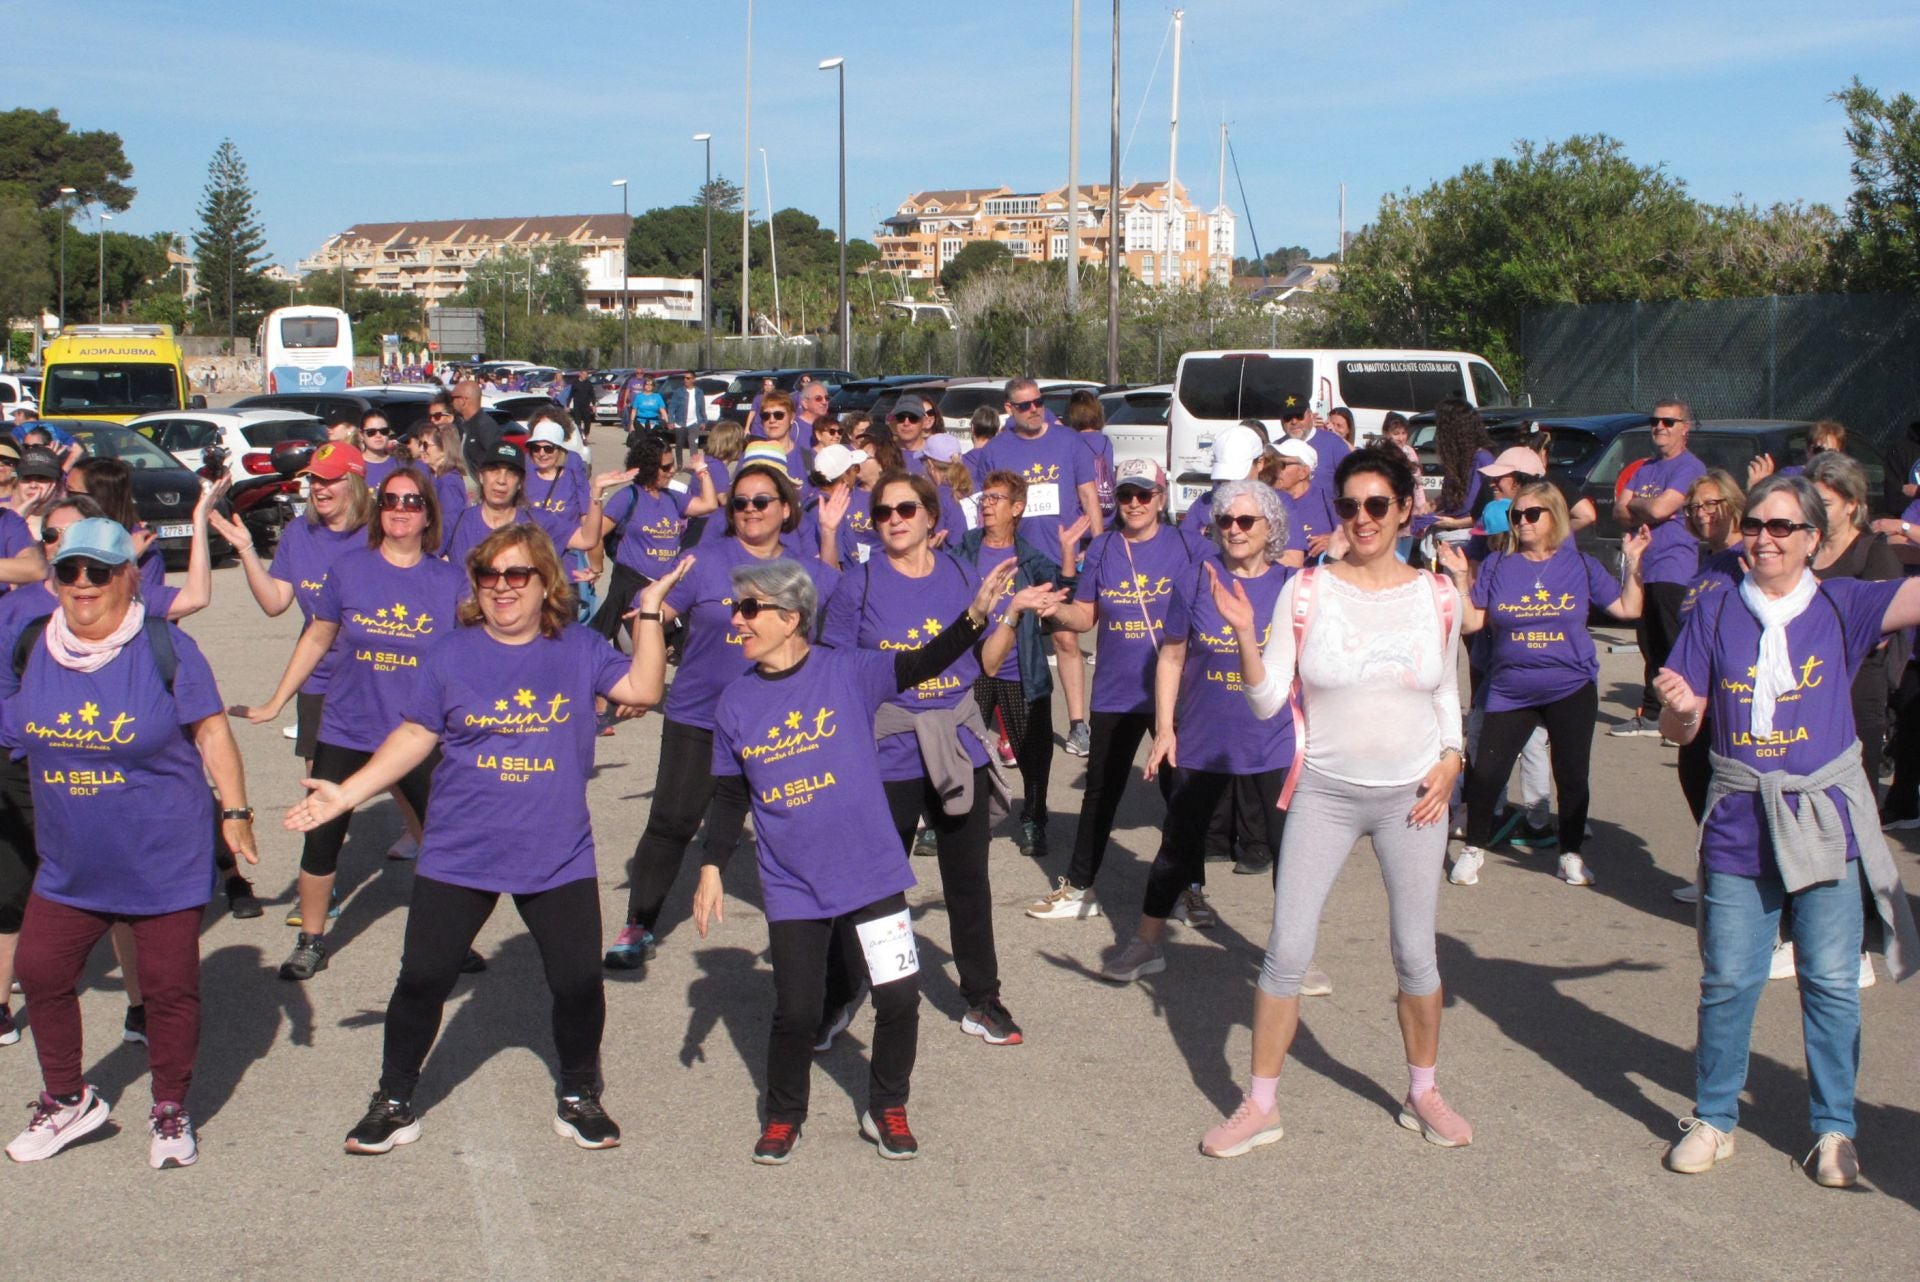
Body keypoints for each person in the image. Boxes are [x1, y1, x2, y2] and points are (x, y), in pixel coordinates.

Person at [287, 527, 683, 1155]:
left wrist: (653, 614)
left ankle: (579, 1093)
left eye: (516, 574)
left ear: (545, 581)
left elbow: (644, 690)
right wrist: (347, 792)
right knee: (421, 979)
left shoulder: (578, 648)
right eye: (490, 576)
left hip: (555, 851)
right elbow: (416, 735)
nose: (502, 587)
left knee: (578, 982)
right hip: (460, 848)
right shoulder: (449, 653)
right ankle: (393, 1099)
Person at [693, 553, 1031, 1162]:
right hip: (792, 880)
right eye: (735, 609)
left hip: (871, 870)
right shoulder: (736, 702)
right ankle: (784, 1113)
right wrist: (713, 864)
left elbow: (921, 661)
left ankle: (887, 1106)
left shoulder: (848, 671)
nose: (736, 623)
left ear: (791, 617)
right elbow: (728, 792)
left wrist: (976, 615)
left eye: (748, 610)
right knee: (796, 1010)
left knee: (898, 996)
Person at [1197, 446, 1471, 1159]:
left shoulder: (1438, 595)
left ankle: (1424, 1091)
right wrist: (1241, 636)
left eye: (1378, 505)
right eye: (1349, 506)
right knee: (1286, 950)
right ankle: (1260, 1106)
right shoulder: (1308, 591)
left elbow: (1445, 692)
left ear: (1406, 509)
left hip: (1414, 795)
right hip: (1324, 789)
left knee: (1415, 953)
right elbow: (1264, 704)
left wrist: (1453, 758)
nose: (1362, 519)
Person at [1652, 473, 1920, 1189]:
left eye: (1781, 528)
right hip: (1741, 819)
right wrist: (1677, 707)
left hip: (1823, 818)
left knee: (1830, 981)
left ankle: (1835, 1132)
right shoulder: (1714, 608)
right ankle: (1713, 1119)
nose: (1764, 540)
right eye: (1755, 527)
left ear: (1812, 539)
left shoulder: (1843, 603)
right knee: (1729, 979)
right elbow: (1682, 728)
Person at [0, 519, 257, 1169]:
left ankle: (170, 1106)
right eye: (70, 571)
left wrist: (236, 811)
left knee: (169, 989)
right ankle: (67, 1099)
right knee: (41, 970)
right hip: (71, 860)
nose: (82, 584)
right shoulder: (34, 644)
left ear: (128, 575)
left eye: (99, 571)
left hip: (161, 857)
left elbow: (212, 734)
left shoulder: (165, 647)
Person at [822, 471, 1055, 1046]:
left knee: (968, 879)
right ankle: (843, 992)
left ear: (931, 517)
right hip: (888, 748)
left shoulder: (957, 572)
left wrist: (1013, 612)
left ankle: (983, 998)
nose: (894, 520)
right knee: (873, 883)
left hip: (954, 744)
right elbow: (835, 674)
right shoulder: (860, 585)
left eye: (906, 510)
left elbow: (986, 664)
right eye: (883, 512)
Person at [604, 456, 841, 969]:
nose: (750, 511)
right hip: (699, 715)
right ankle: (638, 923)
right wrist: (637, 669)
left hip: (776, 724)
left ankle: (818, 926)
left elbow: (841, 616)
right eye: (740, 503)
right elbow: (658, 614)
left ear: (785, 509)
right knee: (672, 820)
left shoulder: (802, 571)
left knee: (797, 824)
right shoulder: (705, 560)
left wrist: (829, 535)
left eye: (761, 502)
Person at [235, 468, 468, 982]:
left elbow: (472, 655)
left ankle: (447, 937)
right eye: (390, 500)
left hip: (418, 733)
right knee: (321, 837)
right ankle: (311, 939)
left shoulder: (450, 580)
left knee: (444, 840)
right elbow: (318, 637)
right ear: (379, 508)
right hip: (347, 725)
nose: (401, 509)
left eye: (412, 501)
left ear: (428, 513)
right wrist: (277, 701)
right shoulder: (351, 569)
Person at [1100, 480, 1297, 979]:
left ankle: (1292, 958)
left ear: (1270, 528)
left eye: (1245, 521)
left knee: (1292, 857)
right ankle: (1148, 943)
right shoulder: (1195, 578)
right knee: (1177, 846)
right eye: (1225, 521)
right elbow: (1170, 656)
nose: (1233, 530)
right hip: (1204, 740)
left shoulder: (1291, 586)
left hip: (1273, 742)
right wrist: (1165, 728)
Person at [1438, 484, 1647, 887]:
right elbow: (1472, 622)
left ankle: (1570, 854)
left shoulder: (1580, 565)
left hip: (1570, 685)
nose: (1522, 522)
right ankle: (1473, 850)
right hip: (1511, 688)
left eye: (1532, 514)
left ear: (1555, 517)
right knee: (1486, 773)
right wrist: (1461, 578)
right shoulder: (1500, 565)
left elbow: (1628, 608)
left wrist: (1634, 566)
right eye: (1517, 515)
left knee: (1571, 776)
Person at [1030, 460, 1212, 920]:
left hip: (1173, 693)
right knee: (1100, 790)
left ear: (1161, 498)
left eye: (1144, 495)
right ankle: (1080, 887)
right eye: (1127, 495)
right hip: (1116, 690)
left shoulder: (1191, 546)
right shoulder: (1107, 546)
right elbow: (1086, 615)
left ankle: (1189, 888)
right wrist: (1054, 611)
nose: (1134, 504)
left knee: (1182, 793)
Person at [968, 378, 1102, 757]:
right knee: (1009, 641)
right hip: (1016, 559)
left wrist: (1097, 545)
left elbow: (1088, 495)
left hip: (1062, 558)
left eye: (1038, 402)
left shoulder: (1069, 441)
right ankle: (1010, 727)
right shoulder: (996, 450)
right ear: (1009, 409)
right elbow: (986, 504)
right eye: (1024, 405)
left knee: (1065, 638)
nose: (1034, 410)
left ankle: (1078, 725)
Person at [952, 471, 1060, 858]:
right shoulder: (962, 550)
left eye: (996, 498)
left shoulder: (1030, 560)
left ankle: (1033, 818)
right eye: (984, 498)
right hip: (970, 669)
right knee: (960, 749)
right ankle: (950, 820)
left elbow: (1066, 592)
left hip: (1020, 671)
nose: (986, 504)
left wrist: (1057, 596)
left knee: (1032, 751)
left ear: (1017, 509)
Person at [1612, 398, 1708, 737]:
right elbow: (1618, 512)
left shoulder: (1689, 468)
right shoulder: (1645, 468)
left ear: (1685, 428)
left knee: (1673, 644)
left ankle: (1686, 715)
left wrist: (1639, 505)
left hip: (1673, 568)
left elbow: (1660, 508)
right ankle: (1651, 715)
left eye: (1668, 422)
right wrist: (1644, 506)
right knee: (1649, 644)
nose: (1659, 427)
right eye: (1655, 421)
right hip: (1643, 567)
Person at [589, 431, 717, 642]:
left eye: (673, 464)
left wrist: (702, 470)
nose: (672, 471)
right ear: (649, 468)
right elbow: (594, 534)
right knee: (632, 658)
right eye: (666, 467)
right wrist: (597, 567)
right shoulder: (628, 497)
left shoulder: (672, 498)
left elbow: (709, 504)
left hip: (665, 593)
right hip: (631, 593)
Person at [1428, 397, 1496, 533]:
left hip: (1468, 535)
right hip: (1446, 531)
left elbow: (1489, 510)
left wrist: (1456, 523)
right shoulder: (1456, 460)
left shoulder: (1484, 460)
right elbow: (1454, 498)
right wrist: (1432, 505)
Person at [452, 381, 505, 476]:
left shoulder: (485, 426)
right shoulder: (462, 425)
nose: (451, 402)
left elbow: (497, 463)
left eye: (453, 398)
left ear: (463, 401)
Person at [666, 372, 707, 459]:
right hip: (680, 422)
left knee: (693, 445)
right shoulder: (678, 392)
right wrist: (670, 421)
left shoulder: (699, 392)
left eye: (688, 378)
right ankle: (680, 466)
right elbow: (672, 407)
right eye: (684, 378)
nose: (685, 380)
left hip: (694, 422)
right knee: (679, 445)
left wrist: (703, 421)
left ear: (693, 379)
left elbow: (702, 408)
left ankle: (694, 465)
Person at [359, 411, 403, 489]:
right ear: (361, 435)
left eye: (384, 431)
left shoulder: (400, 465)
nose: (378, 435)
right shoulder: (354, 465)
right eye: (371, 432)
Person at [568, 373, 599, 440]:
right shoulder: (575, 383)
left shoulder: (588, 383)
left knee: (587, 422)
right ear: (580, 374)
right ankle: (579, 437)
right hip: (577, 406)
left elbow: (592, 395)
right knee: (577, 422)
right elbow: (570, 395)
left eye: (586, 375)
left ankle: (585, 434)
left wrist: (594, 405)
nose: (585, 376)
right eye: (584, 374)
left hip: (586, 406)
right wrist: (567, 405)